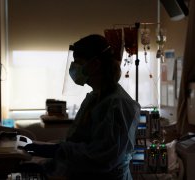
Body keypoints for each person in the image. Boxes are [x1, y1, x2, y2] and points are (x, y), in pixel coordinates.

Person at [24, 34, 140, 180]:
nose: (74, 68)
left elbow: (102, 157)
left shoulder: (119, 104)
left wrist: (57, 151)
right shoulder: (94, 98)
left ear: (96, 64)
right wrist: (48, 164)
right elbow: (78, 144)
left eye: (78, 62)